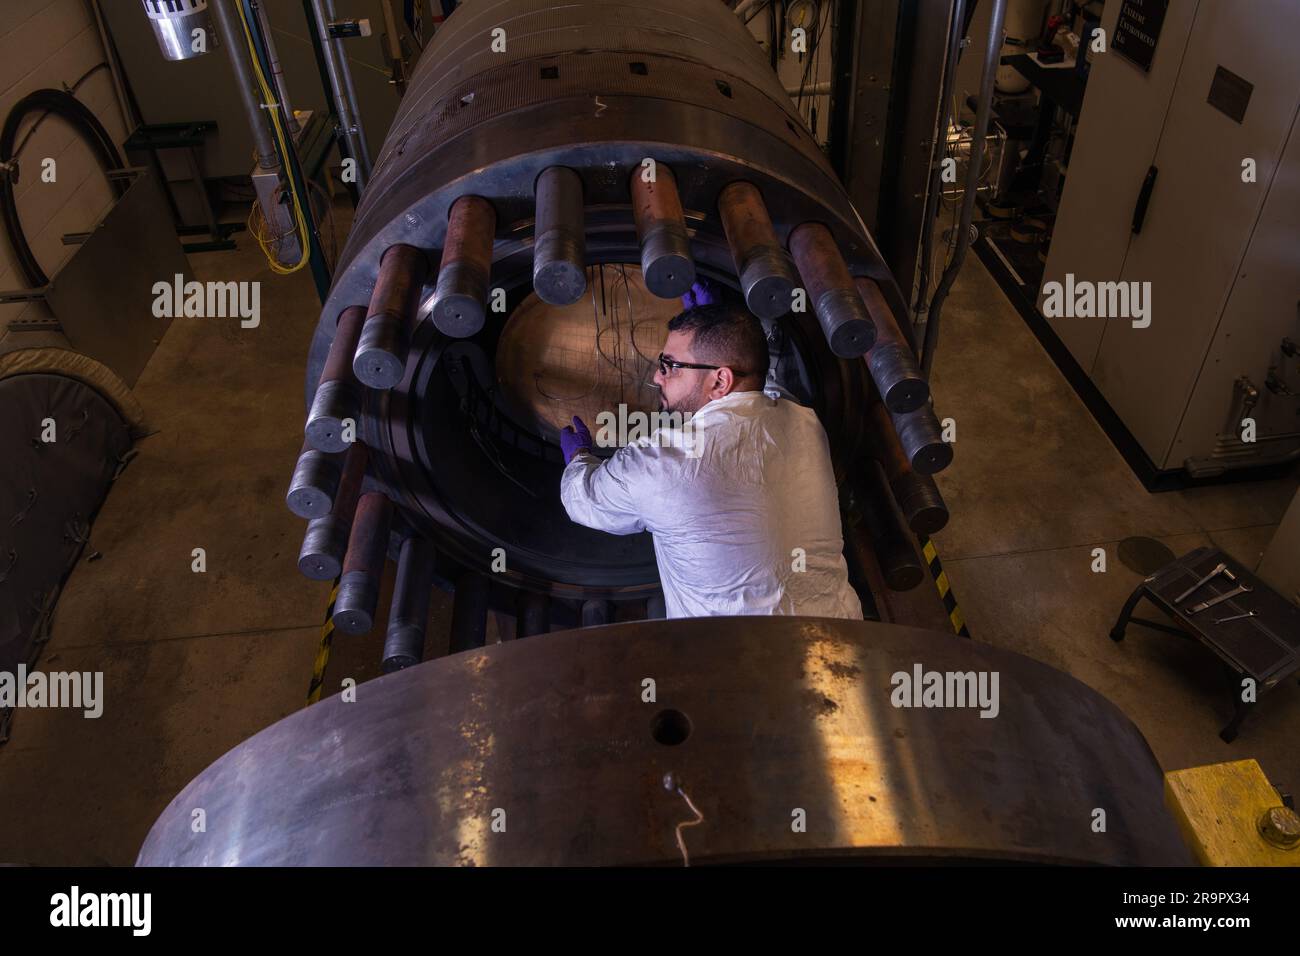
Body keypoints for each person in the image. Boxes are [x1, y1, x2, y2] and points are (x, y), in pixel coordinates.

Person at [558, 294, 863, 620]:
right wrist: (727, 328)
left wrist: (578, 457)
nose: (656, 377)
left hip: (731, 663)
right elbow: (763, 387)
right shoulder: (804, 423)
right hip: (837, 644)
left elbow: (585, 501)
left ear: (720, 380)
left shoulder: (659, 463)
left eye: (670, 366)